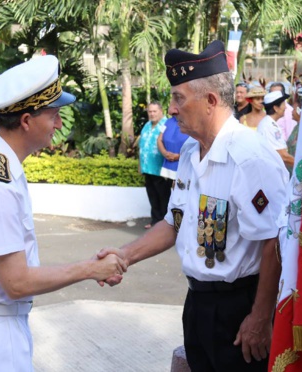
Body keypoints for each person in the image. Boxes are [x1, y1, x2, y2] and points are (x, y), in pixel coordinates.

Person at [100, 40, 288, 371]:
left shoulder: (249, 158)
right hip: (197, 303)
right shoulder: (190, 152)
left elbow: (273, 241)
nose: (171, 108)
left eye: (178, 98)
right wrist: (124, 256)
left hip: (240, 308)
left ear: (210, 101)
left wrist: (260, 317)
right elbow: (173, 223)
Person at [0, 55, 127, 372]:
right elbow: (16, 282)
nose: (58, 124)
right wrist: (90, 269)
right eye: (53, 115)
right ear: (26, 120)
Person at [139, 101, 169, 229]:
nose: (152, 114)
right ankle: (155, 220)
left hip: (160, 169)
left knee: (163, 196)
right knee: (152, 195)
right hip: (147, 168)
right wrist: (140, 165)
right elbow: (141, 146)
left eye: (154, 111)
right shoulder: (146, 125)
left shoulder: (167, 125)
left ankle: (164, 224)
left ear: (161, 111)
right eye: (150, 111)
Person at [257, 90, 295, 171]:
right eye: (283, 104)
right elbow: (282, 156)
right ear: (276, 108)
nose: (285, 107)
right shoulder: (269, 126)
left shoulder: (270, 123)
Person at [157, 115, 189, 180]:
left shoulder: (191, 121)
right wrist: (165, 153)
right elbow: (159, 139)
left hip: (185, 169)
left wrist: (179, 156)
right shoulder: (168, 121)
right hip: (167, 169)